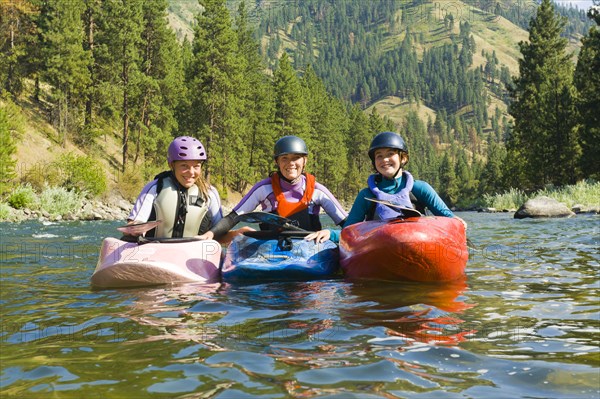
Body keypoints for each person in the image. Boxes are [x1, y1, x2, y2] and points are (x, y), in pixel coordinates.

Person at [198, 135, 348, 243]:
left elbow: (349, 226)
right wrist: (211, 233)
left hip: (310, 247)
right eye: (284, 158)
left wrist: (331, 233)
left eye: (296, 158)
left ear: (305, 161)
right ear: (277, 162)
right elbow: (233, 217)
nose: (291, 163)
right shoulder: (264, 188)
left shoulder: (317, 190)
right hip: (271, 248)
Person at [344, 131, 467, 228]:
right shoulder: (366, 195)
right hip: (380, 248)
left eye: (390, 154)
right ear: (374, 162)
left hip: (417, 242)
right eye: (379, 156)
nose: (384, 160)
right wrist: (331, 234)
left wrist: (457, 222)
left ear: (403, 158)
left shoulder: (420, 188)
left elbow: (448, 217)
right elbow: (348, 231)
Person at [126, 136, 223, 239]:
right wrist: (134, 229)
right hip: (155, 251)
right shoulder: (154, 188)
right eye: (184, 166)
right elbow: (133, 224)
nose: (191, 172)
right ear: (171, 165)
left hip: (193, 253)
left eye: (196, 166)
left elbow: (221, 233)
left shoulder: (209, 193)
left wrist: (239, 232)